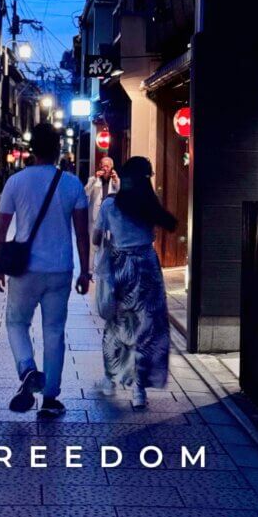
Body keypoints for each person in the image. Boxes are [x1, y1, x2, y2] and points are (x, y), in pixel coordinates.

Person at [0, 123, 90, 418]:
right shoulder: (72, 184)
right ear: (58, 149)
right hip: (60, 268)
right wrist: (85, 271)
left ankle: (27, 369)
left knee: (16, 322)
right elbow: (82, 234)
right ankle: (50, 399)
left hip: (25, 269)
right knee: (54, 332)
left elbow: (0, 230)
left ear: (31, 149)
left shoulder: (16, 182)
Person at [93, 156, 176, 409]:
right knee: (147, 328)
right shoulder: (149, 203)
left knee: (116, 324)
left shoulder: (110, 205)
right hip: (147, 266)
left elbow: (96, 238)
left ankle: (110, 379)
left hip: (121, 267)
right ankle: (139, 390)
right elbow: (163, 227)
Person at [85, 156, 120, 263]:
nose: (105, 168)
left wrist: (116, 180)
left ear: (111, 167)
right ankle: (90, 270)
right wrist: (94, 179)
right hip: (96, 217)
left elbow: (121, 193)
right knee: (92, 245)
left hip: (110, 219)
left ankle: (105, 269)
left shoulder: (116, 180)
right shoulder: (93, 179)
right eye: (103, 166)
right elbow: (85, 192)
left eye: (107, 166)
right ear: (100, 166)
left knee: (109, 245)